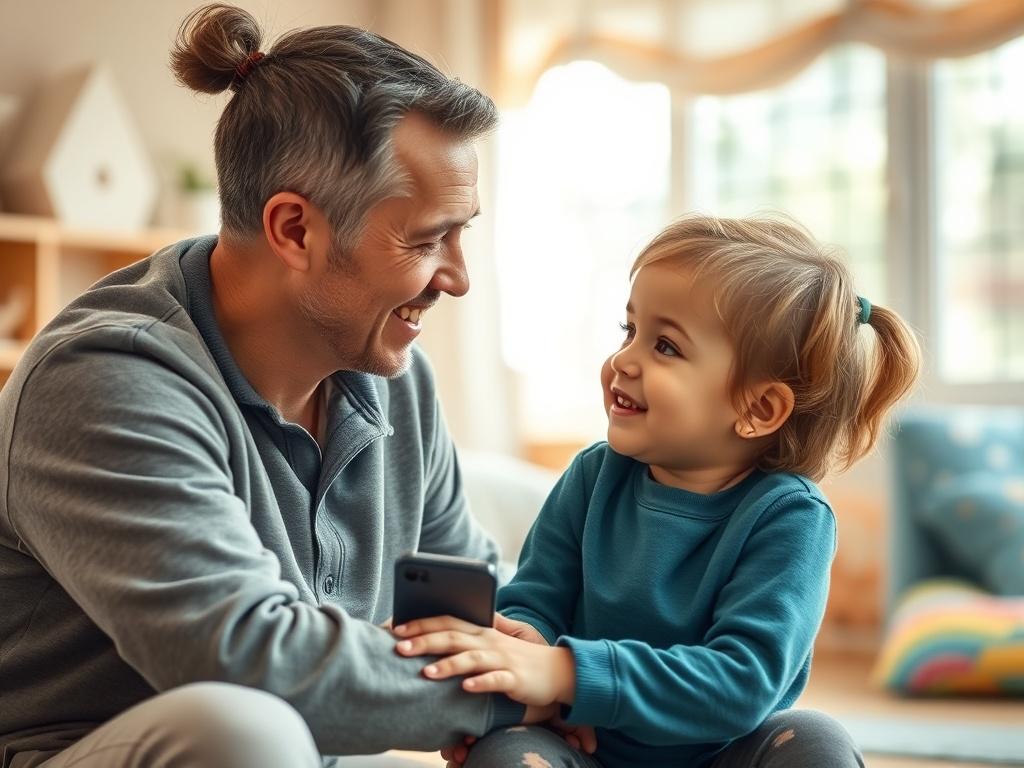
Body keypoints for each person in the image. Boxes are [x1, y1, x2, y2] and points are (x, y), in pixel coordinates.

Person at [0, 5, 542, 767]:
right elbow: (243, 656)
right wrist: (521, 694)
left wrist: (564, 678)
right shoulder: (103, 378)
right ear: (294, 229)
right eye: (427, 240)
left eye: (462, 233)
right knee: (243, 728)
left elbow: (468, 616)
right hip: (96, 751)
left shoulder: (393, 375)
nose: (456, 278)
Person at [394, 213, 922, 768]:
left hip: (722, 756)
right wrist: (514, 661)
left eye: (665, 346)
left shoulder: (790, 517)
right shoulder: (593, 476)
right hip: (584, 745)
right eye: (630, 331)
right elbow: (535, 601)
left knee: (816, 740)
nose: (624, 360)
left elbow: (741, 683)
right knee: (503, 753)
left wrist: (565, 672)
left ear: (759, 408)